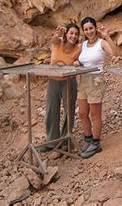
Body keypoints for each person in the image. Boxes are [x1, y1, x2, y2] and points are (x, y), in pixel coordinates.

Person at [77, 17, 117, 159]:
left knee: (95, 114)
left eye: (91, 28)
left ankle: (96, 143)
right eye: (86, 29)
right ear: (83, 31)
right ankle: (88, 139)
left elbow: (115, 53)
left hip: (96, 79)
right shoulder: (83, 45)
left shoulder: (102, 43)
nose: (89, 31)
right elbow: (78, 60)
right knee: (82, 113)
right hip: (83, 79)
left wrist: (107, 36)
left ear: (95, 28)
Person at [39, 23, 81, 153]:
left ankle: (65, 141)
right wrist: (58, 33)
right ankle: (51, 141)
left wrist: (78, 62)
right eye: (71, 33)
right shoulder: (58, 43)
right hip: (53, 81)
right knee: (52, 110)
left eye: (76, 34)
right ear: (66, 33)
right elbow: (53, 40)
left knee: (69, 110)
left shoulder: (78, 49)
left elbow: (82, 60)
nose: (73, 36)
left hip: (69, 82)